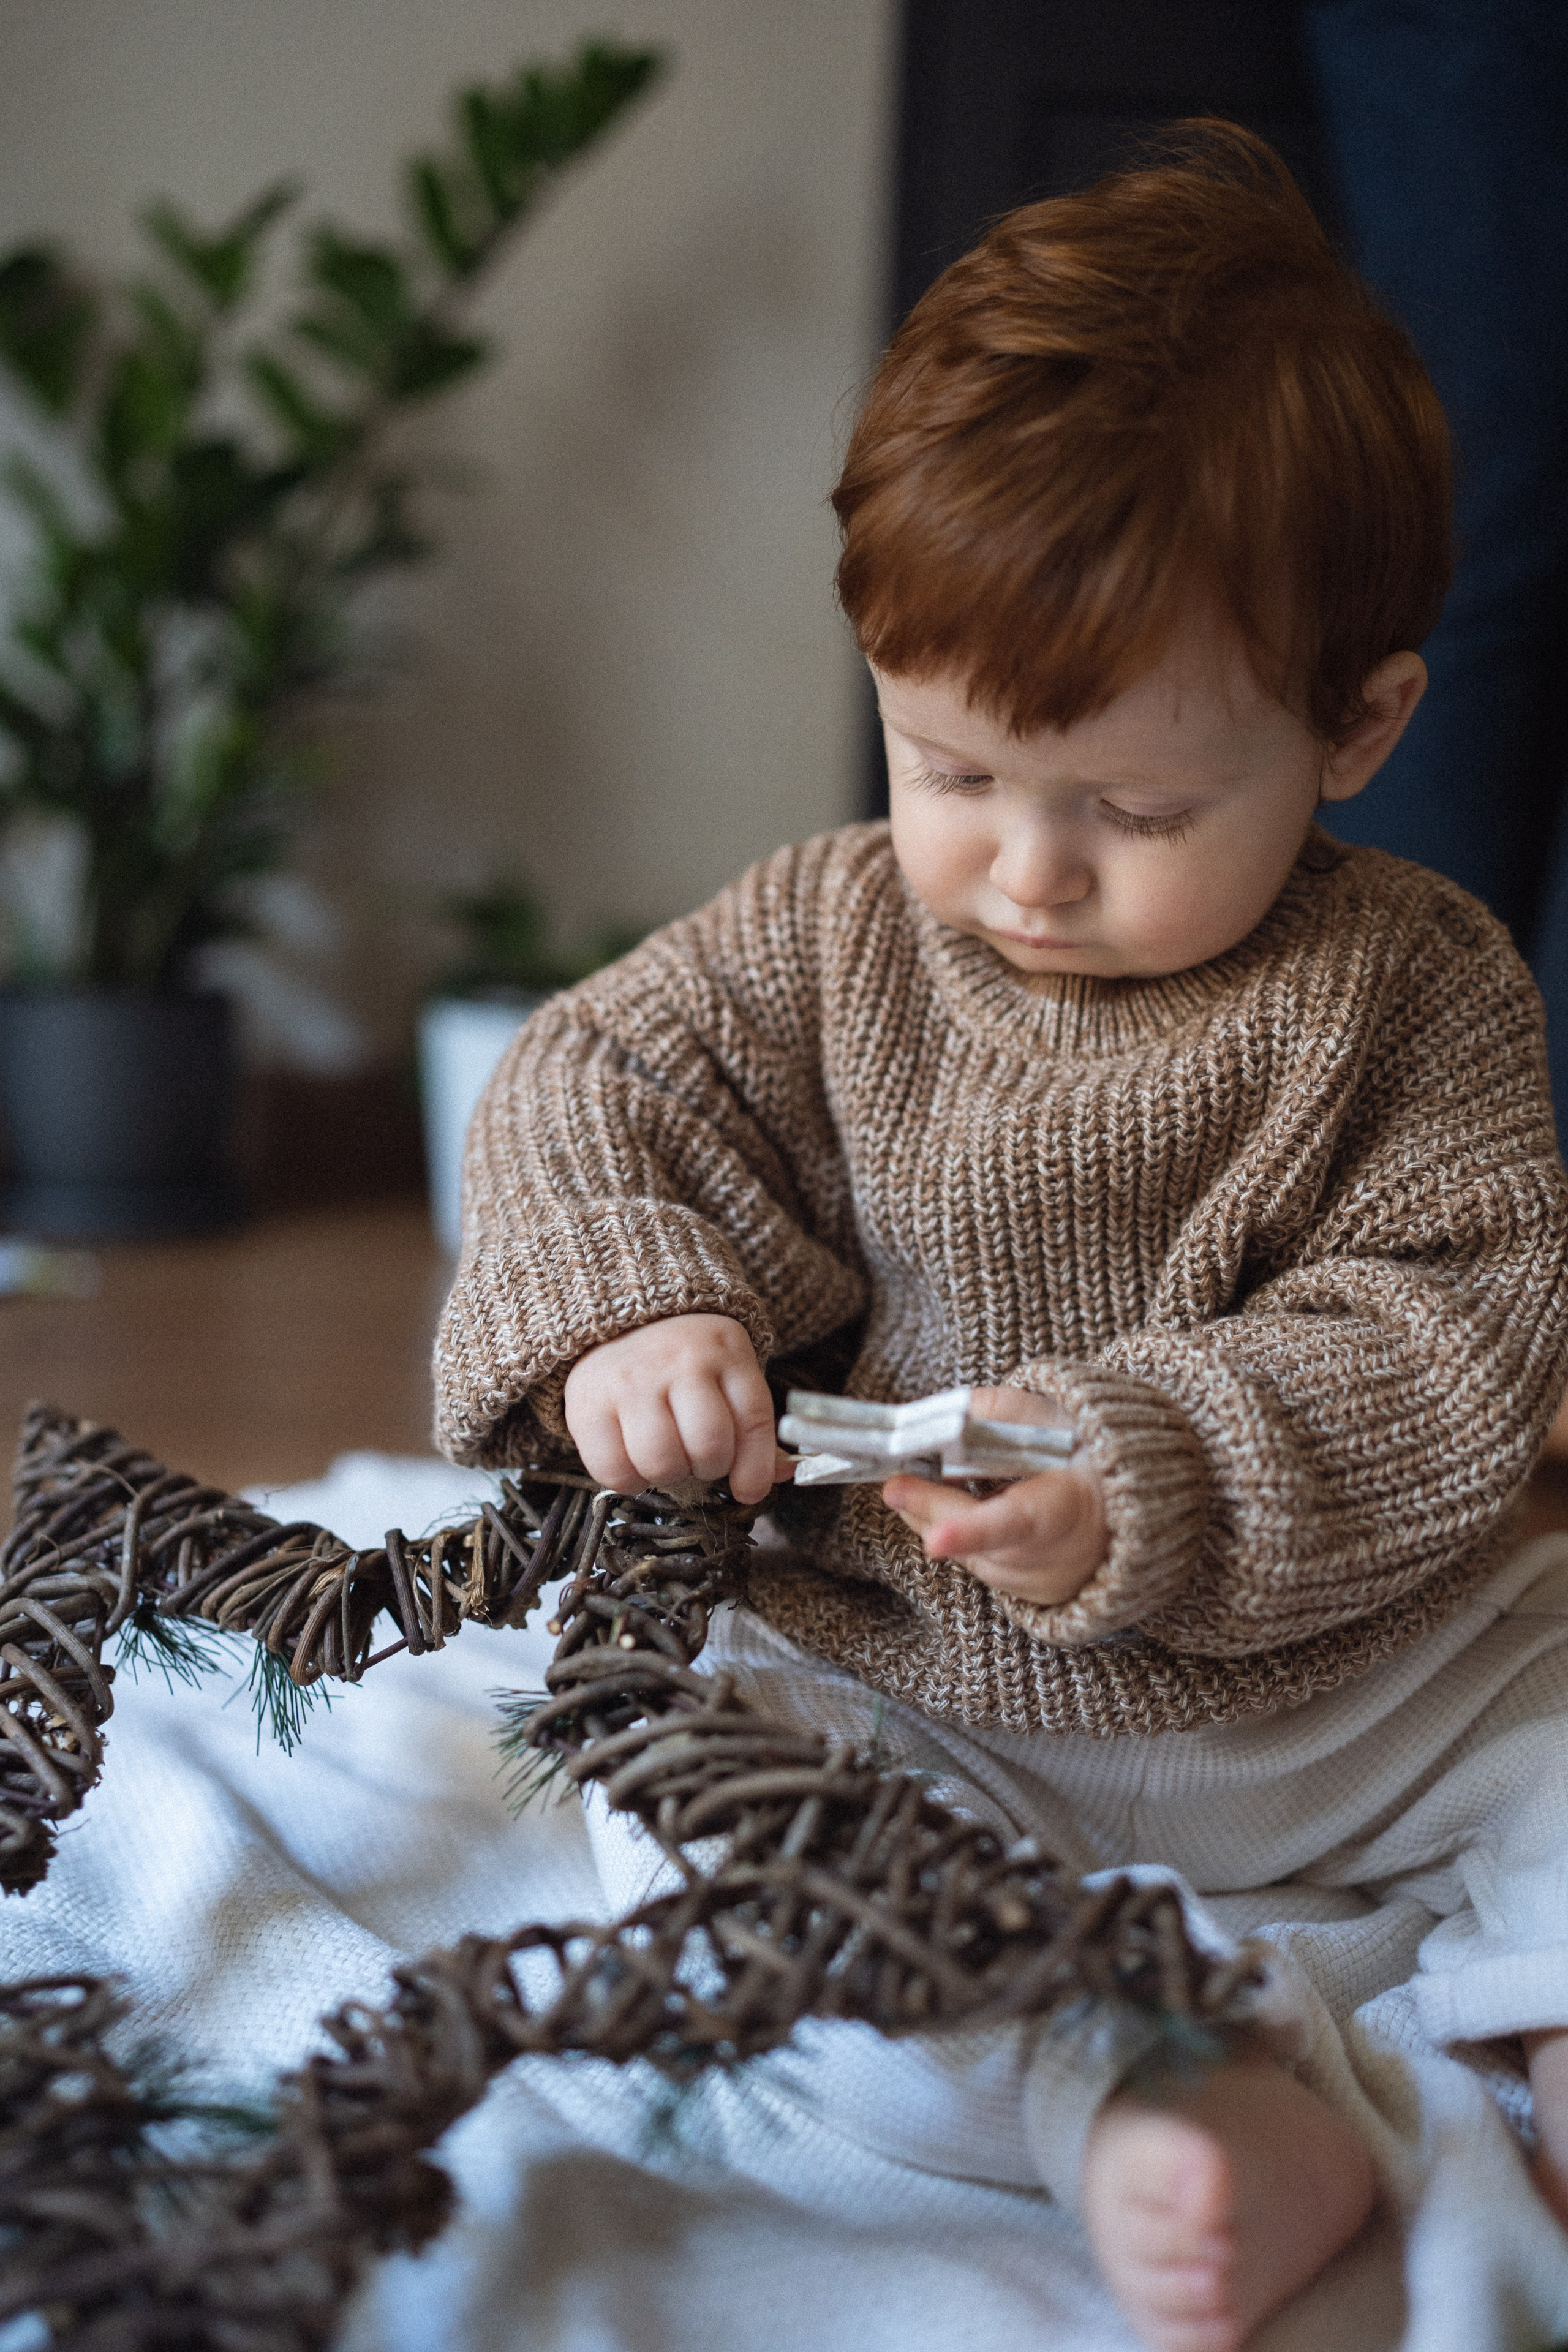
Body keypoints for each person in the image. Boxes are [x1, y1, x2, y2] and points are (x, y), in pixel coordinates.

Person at [435, 125, 1568, 2352]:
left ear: (1358, 724)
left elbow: (1452, 1335)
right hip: (913, 1682)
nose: (1028, 868)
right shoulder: (827, 933)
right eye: (951, 769)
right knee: (684, 1794)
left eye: (1137, 808)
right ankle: (1138, 2083)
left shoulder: (1423, 988)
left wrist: (1148, 1465)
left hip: (1347, 1687)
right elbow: (590, 1084)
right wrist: (633, 1312)